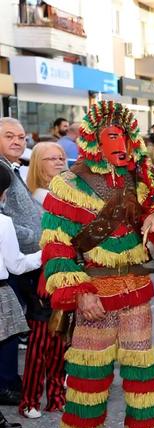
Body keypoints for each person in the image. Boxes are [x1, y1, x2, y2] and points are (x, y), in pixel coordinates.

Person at [41, 101, 154, 428]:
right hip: (95, 294)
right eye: (113, 136)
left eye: (127, 136)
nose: (123, 144)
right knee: (89, 373)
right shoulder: (68, 184)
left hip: (135, 287)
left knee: (143, 367)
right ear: (95, 140)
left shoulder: (140, 177)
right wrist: (80, 291)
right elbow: (56, 246)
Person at [18, 141, 68, 419]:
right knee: (40, 341)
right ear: (39, 163)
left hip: (64, 270)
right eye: (52, 158)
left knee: (60, 339)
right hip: (41, 273)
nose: (59, 162)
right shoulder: (39, 194)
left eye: (61, 157)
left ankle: (56, 396)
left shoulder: (65, 191)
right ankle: (30, 400)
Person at [0, 117, 43, 405]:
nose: (18, 141)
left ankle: (10, 381)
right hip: (13, 261)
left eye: (21, 136)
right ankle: (7, 384)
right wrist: (35, 237)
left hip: (23, 255)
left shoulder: (11, 167)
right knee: (8, 330)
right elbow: (4, 221)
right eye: (9, 136)